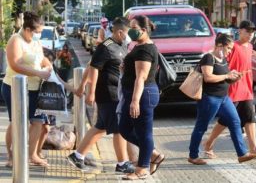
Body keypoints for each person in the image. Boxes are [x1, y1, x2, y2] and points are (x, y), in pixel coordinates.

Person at [67, 18, 135, 173]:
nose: (129, 36)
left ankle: (78, 156)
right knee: (118, 129)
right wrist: (89, 91)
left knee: (100, 127)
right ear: (120, 32)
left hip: (117, 92)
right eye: (128, 32)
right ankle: (122, 163)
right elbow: (93, 68)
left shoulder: (122, 46)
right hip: (108, 93)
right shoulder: (106, 47)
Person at [203, 20, 256, 160]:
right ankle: (208, 144)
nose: (250, 35)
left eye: (252, 32)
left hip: (247, 89)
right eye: (247, 31)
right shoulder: (232, 46)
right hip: (232, 88)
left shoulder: (250, 46)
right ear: (240, 31)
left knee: (250, 118)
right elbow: (221, 61)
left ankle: (254, 149)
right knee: (225, 120)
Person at [188, 34, 256, 165]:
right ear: (220, 46)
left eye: (231, 49)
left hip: (224, 98)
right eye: (229, 48)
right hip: (209, 98)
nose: (230, 51)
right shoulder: (208, 58)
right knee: (201, 127)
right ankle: (193, 155)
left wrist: (233, 78)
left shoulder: (223, 59)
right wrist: (227, 75)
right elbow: (208, 77)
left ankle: (242, 154)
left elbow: (224, 78)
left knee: (235, 120)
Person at [1, 11, 52, 167]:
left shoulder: (35, 42)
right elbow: (15, 64)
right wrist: (37, 72)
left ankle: (32, 155)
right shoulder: (15, 40)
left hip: (36, 87)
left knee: (37, 122)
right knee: (16, 122)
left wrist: (48, 65)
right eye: (37, 32)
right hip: (15, 87)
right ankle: (11, 155)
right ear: (28, 30)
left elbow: (41, 58)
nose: (39, 35)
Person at [119, 15, 165, 180]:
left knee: (143, 132)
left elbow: (142, 77)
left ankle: (142, 168)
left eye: (134, 27)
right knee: (124, 127)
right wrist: (125, 69)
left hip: (143, 94)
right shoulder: (139, 46)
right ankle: (153, 154)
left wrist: (135, 101)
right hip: (136, 92)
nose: (130, 30)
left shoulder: (145, 49)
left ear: (144, 30)